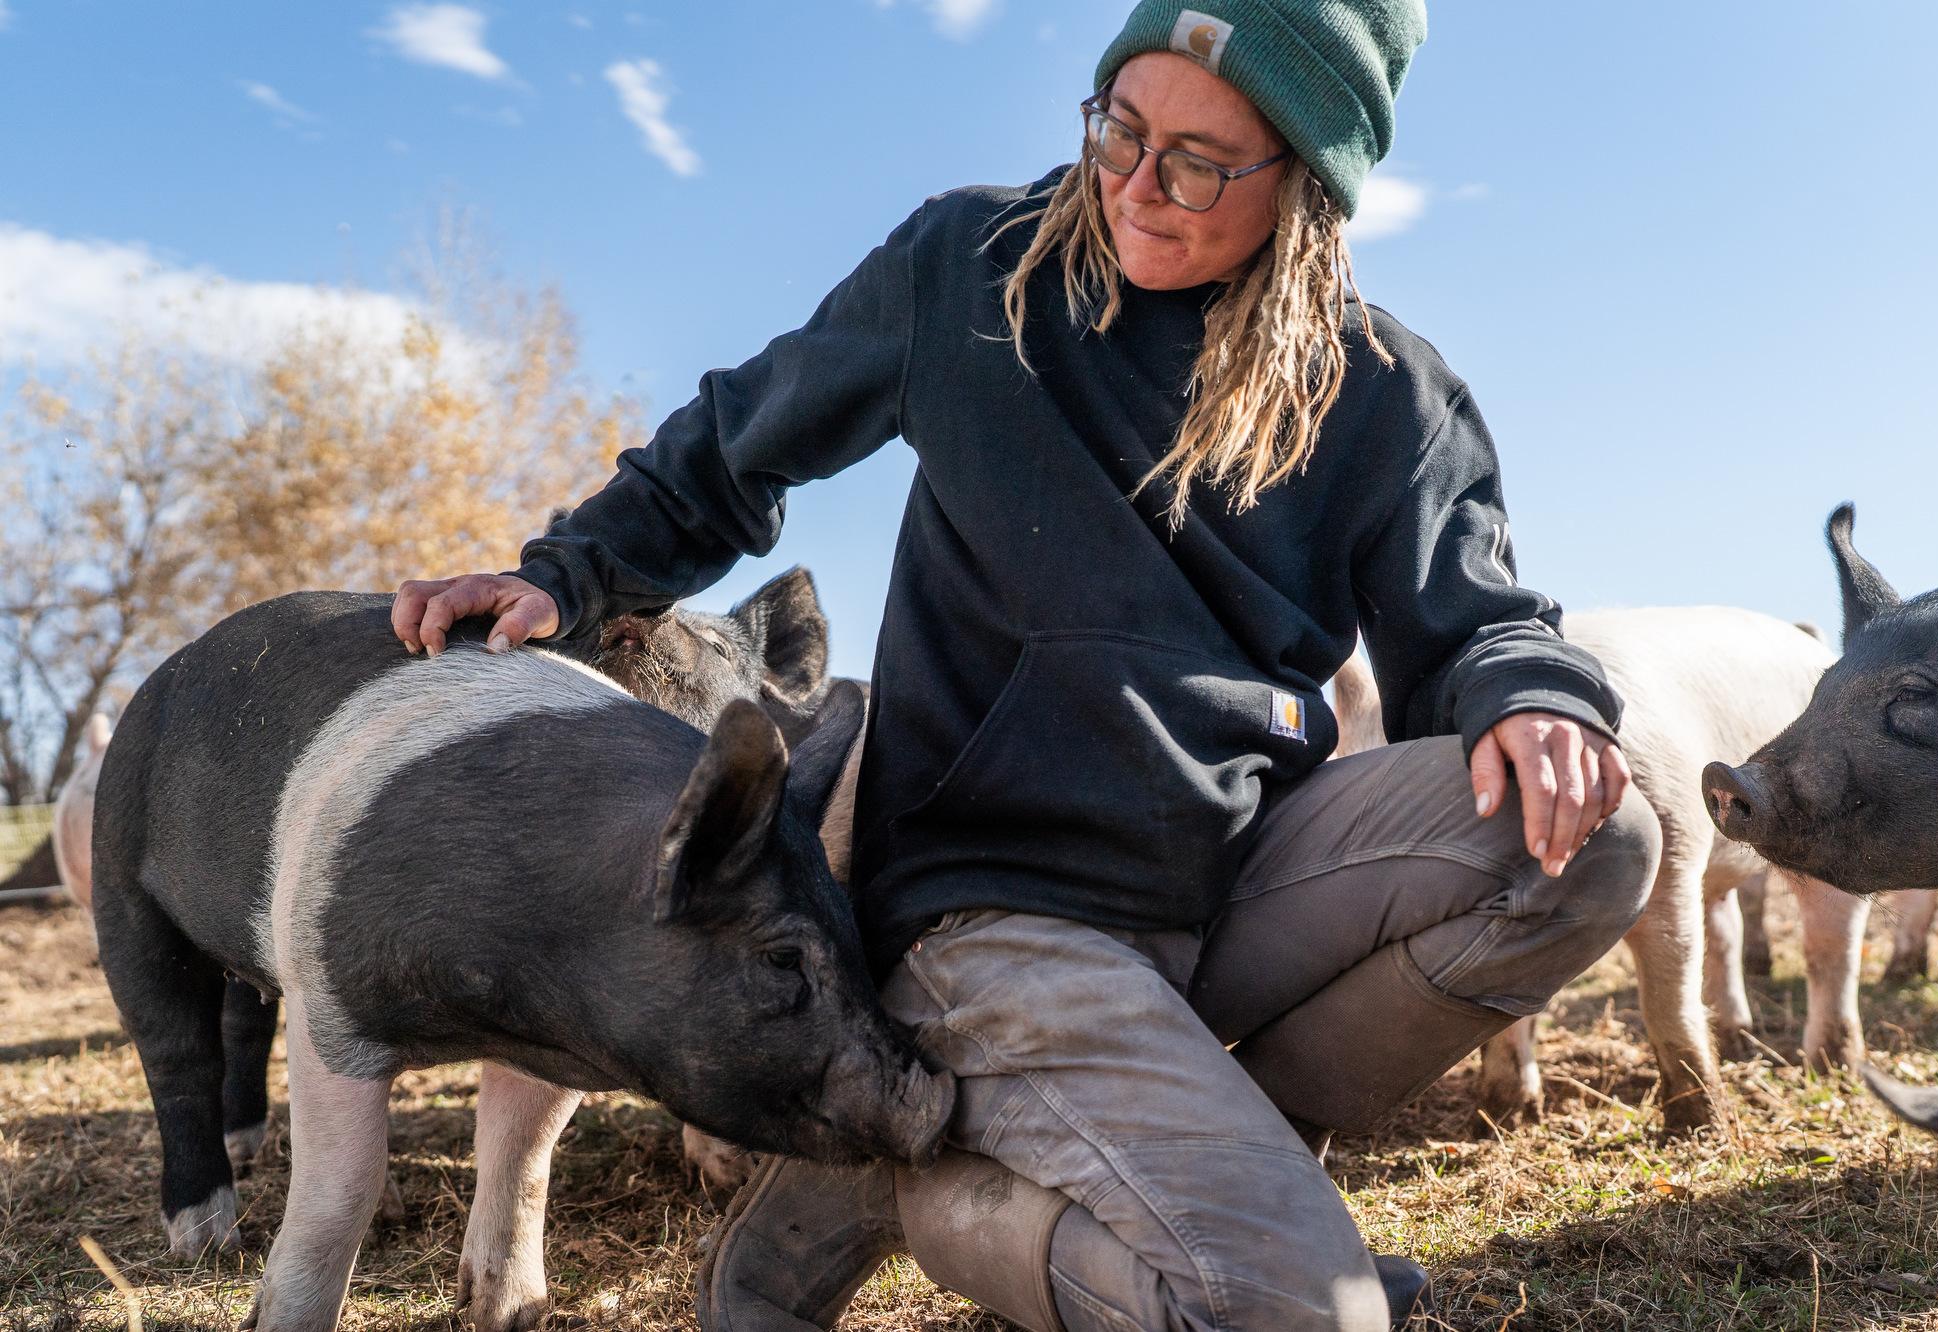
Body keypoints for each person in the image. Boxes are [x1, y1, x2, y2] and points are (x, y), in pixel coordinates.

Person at [392, 2, 1662, 1327]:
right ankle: (939, 1188)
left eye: (1197, 163)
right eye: (1120, 130)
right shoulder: (974, 267)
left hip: (1238, 874)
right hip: (998, 907)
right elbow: (730, 449)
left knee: (1598, 837)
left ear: (1310, 184)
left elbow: (1479, 627)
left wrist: (1531, 693)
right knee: (1306, 1316)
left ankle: (1206, 1148)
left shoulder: (1385, 389)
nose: (1133, 188)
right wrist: (564, 574)